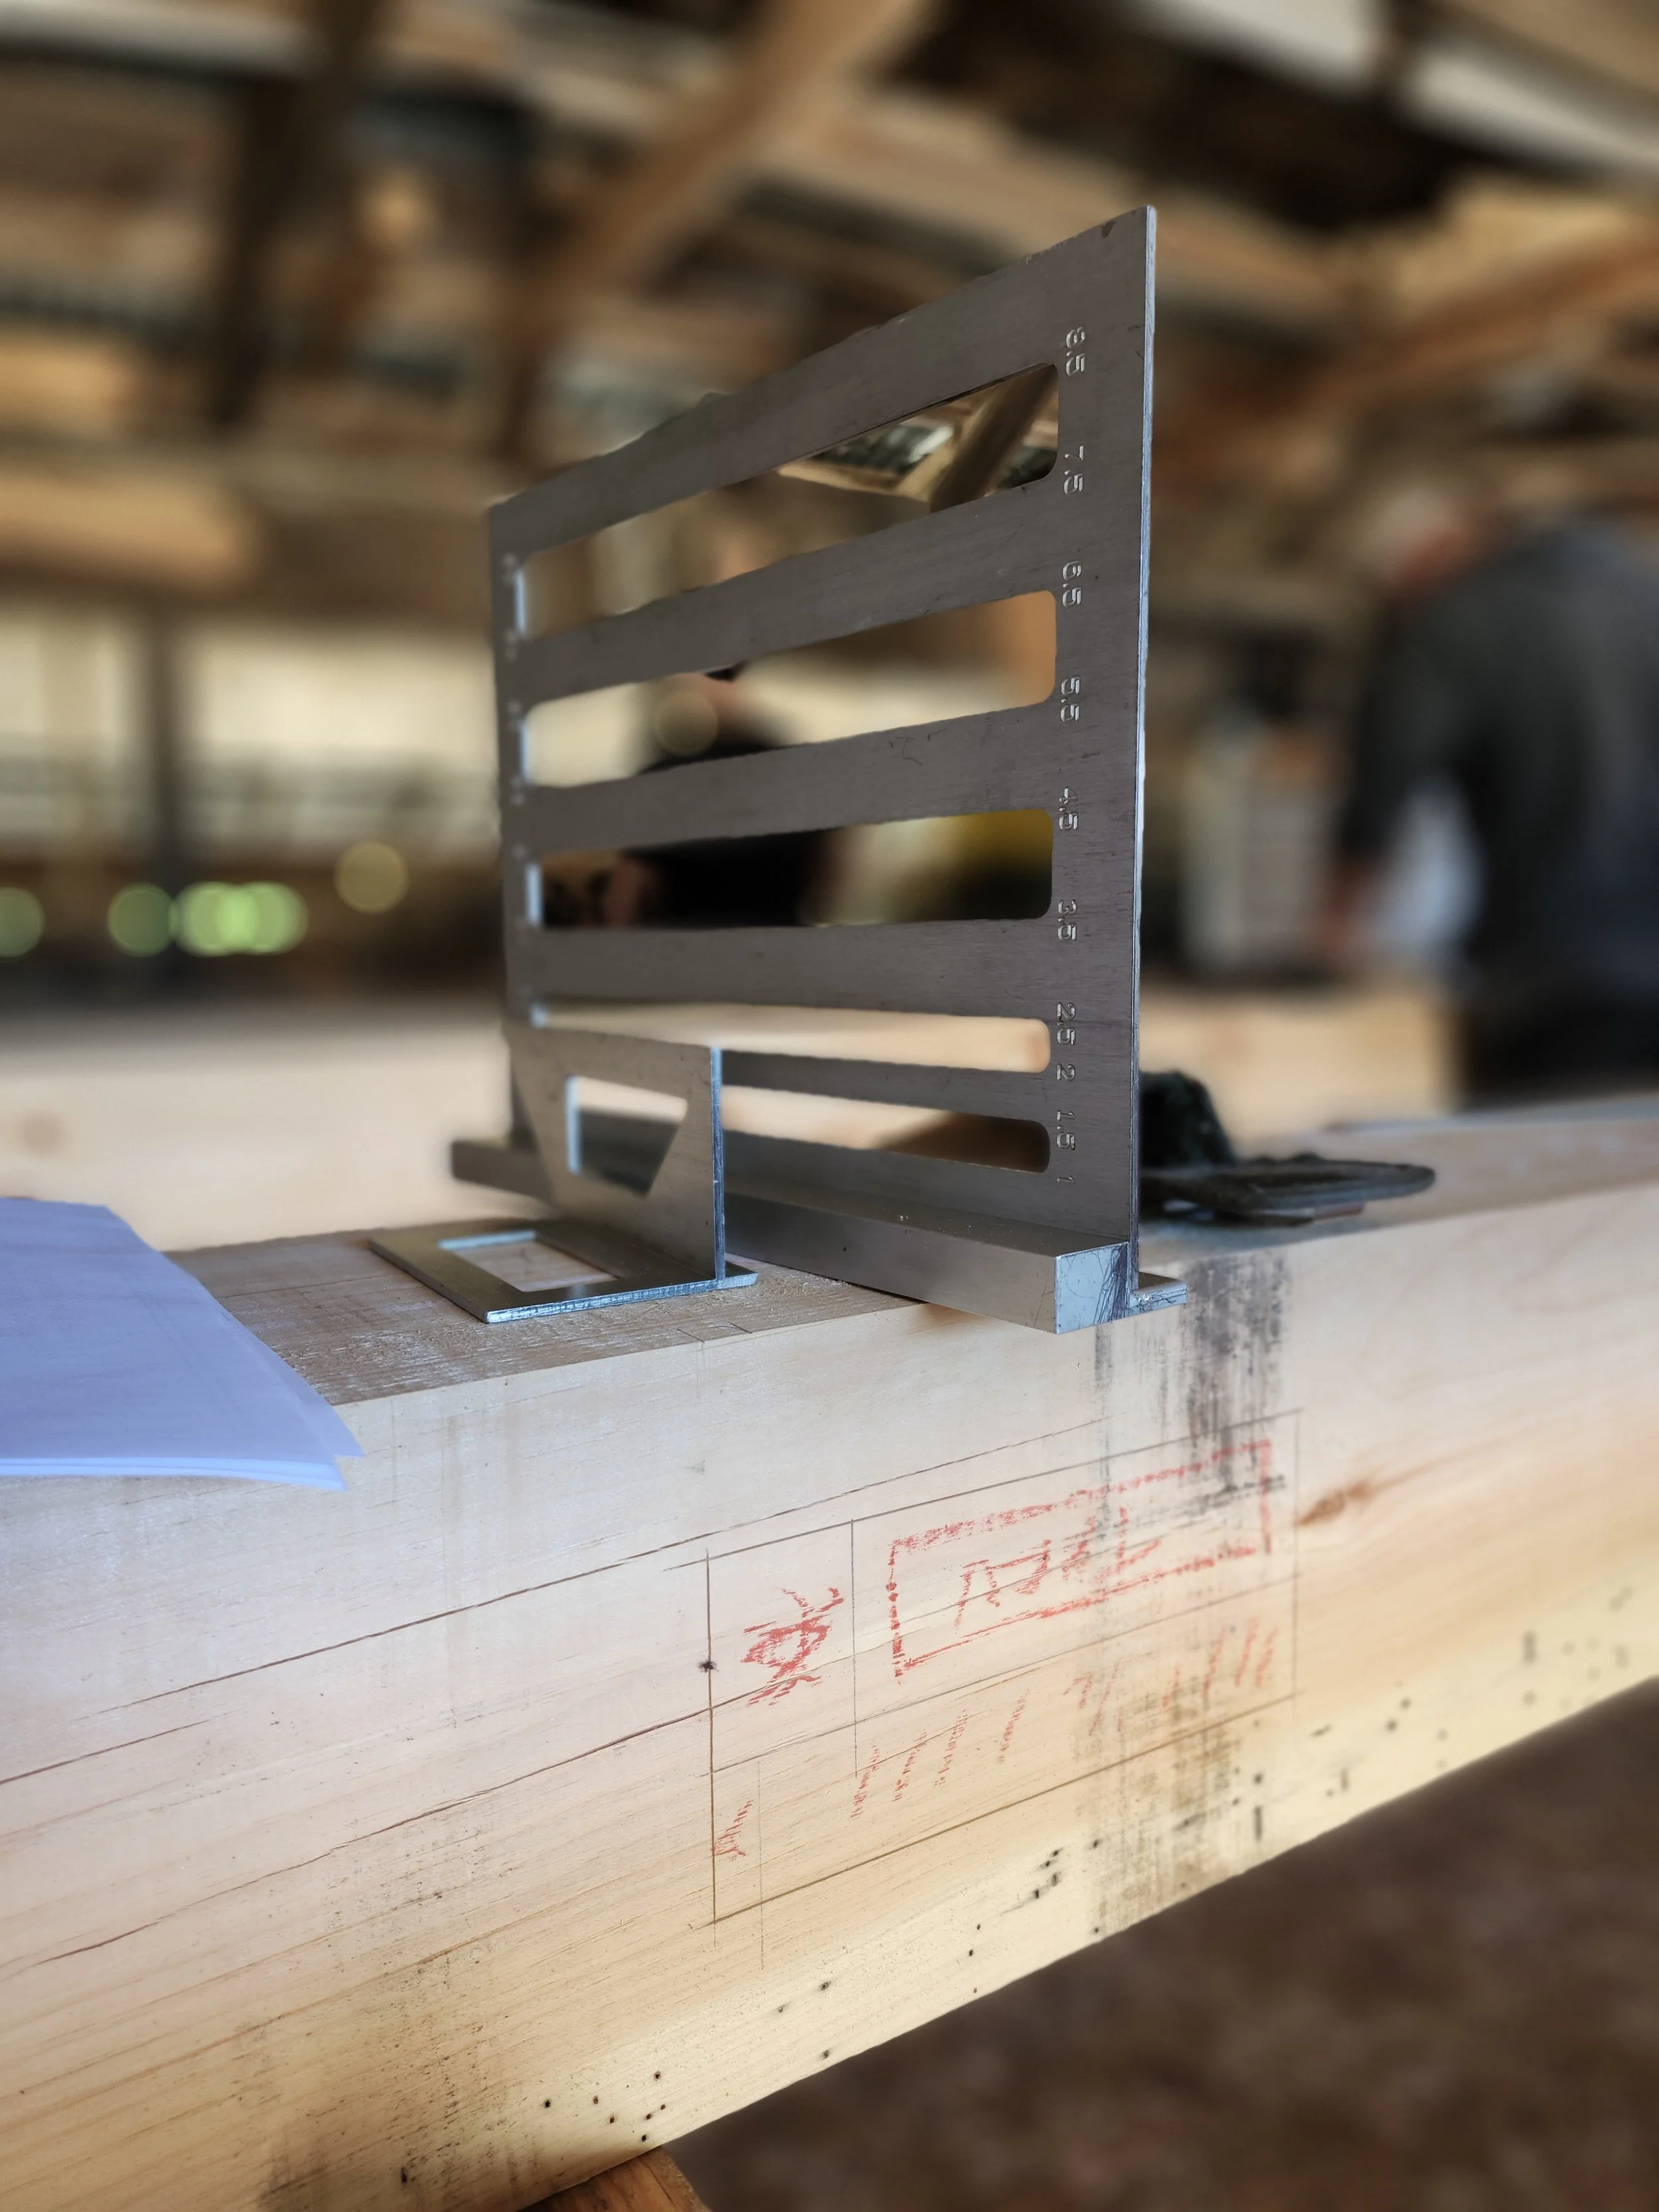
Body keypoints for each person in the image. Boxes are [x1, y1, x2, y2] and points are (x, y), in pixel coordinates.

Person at [1326, 492, 1659, 1102]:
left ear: (1418, 560)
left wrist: (1336, 931)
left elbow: (1385, 772)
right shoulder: (1646, 593)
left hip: (1548, 981)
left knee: (1546, 1178)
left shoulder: (1463, 618)